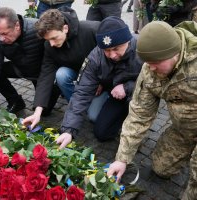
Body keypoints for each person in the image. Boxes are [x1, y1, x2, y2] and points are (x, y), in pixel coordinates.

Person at [107, 21, 197, 200]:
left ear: (174, 53)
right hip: (183, 131)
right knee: (160, 168)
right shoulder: (150, 70)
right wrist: (122, 158)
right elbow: (140, 114)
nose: (151, 68)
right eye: (147, 62)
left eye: (155, 62)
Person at [55, 16, 143, 149]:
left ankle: (133, 122)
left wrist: (128, 87)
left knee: (137, 109)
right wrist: (68, 130)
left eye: (116, 48)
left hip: (139, 93)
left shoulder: (142, 50)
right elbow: (81, 92)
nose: (112, 55)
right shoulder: (95, 57)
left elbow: (155, 83)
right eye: (107, 50)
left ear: (127, 40)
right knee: (101, 132)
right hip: (113, 93)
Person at [22, 7, 100, 129]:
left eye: (54, 38)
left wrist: (101, 82)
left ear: (65, 28)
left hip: (99, 78)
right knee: (61, 74)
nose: (51, 44)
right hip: (76, 74)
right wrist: (37, 111)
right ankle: (76, 107)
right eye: (48, 40)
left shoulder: (92, 30)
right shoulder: (49, 45)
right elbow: (46, 75)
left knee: (95, 117)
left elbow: (111, 59)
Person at [0, 7, 45, 114]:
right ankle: (15, 101)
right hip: (19, 68)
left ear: (17, 26)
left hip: (41, 74)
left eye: (4, 34)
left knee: (44, 111)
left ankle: (56, 90)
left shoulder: (38, 30)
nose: (1, 39)